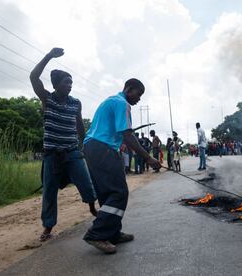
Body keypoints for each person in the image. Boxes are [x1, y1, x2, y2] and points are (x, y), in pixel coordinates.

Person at [83, 78, 161, 254]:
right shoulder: (122, 104)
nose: (139, 99)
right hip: (103, 147)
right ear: (128, 89)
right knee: (119, 192)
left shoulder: (111, 100)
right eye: (138, 94)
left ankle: (112, 233)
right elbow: (127, 134)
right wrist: (148, 158)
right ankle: (97, 234)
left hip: (92, 147)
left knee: (107, 193)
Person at [30, 47, 98, 242]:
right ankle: (48, 226)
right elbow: (33, 77)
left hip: (72, 152)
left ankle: (93, 207)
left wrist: (85, 145)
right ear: (56, 85)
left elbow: (79, 125)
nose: (69, 85)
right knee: (49, 191)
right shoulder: (47, 99)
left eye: (71, 83)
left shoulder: (76, 103)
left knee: (86, 183)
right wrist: (49, 56)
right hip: (52, 154)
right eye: (66, 82)